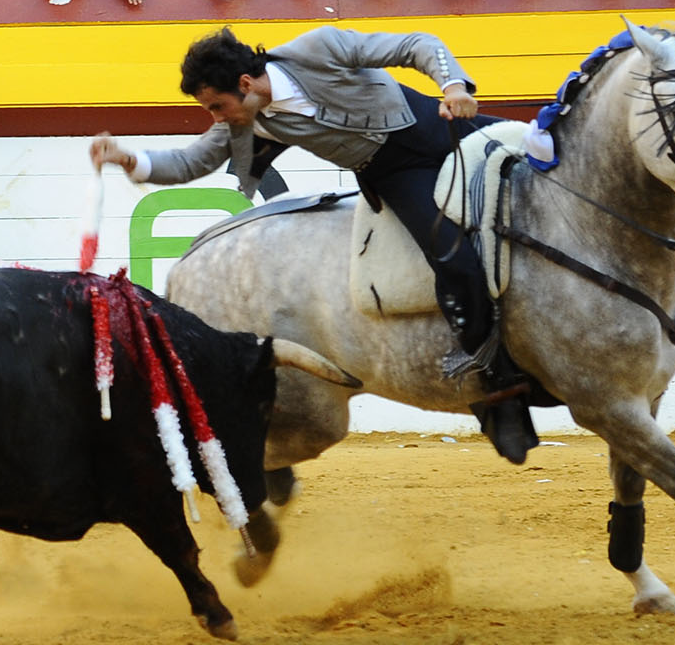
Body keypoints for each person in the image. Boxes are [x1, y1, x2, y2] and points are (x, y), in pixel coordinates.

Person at [90, 24, 539, 461]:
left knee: (551, 163)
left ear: (245, 83)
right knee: (452, 257)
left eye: (217, 106)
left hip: (445, 129)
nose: (218, 118)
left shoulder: (318, 47)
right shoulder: (246, 122)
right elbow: (191, 161)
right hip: (396, 175)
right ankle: (500, 390)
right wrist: (131, 159)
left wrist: (453, 84)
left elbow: (416, 44)